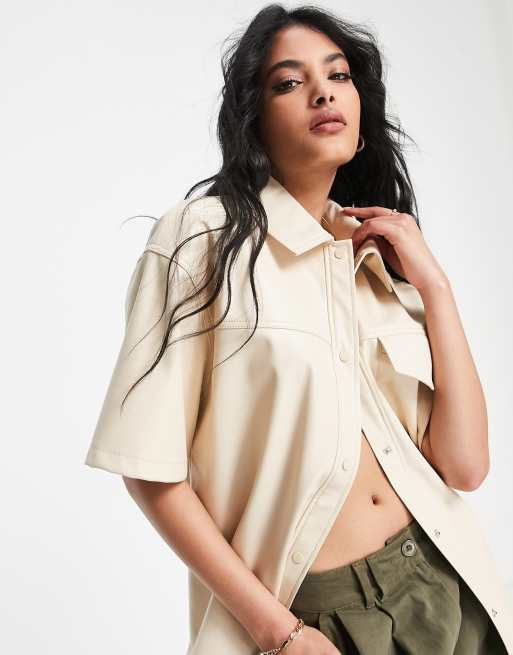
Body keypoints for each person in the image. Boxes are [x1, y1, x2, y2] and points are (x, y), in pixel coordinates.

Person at [84, 4, 513, 654]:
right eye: (288, 82)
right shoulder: (203, 241)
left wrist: (437, 289)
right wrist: (280, 633)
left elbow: (465, 465)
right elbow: (149, 470)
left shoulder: (378, 260)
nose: (322, 92)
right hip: (311, 618)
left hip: (443, 587)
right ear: (253, 120)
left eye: (338, 76)